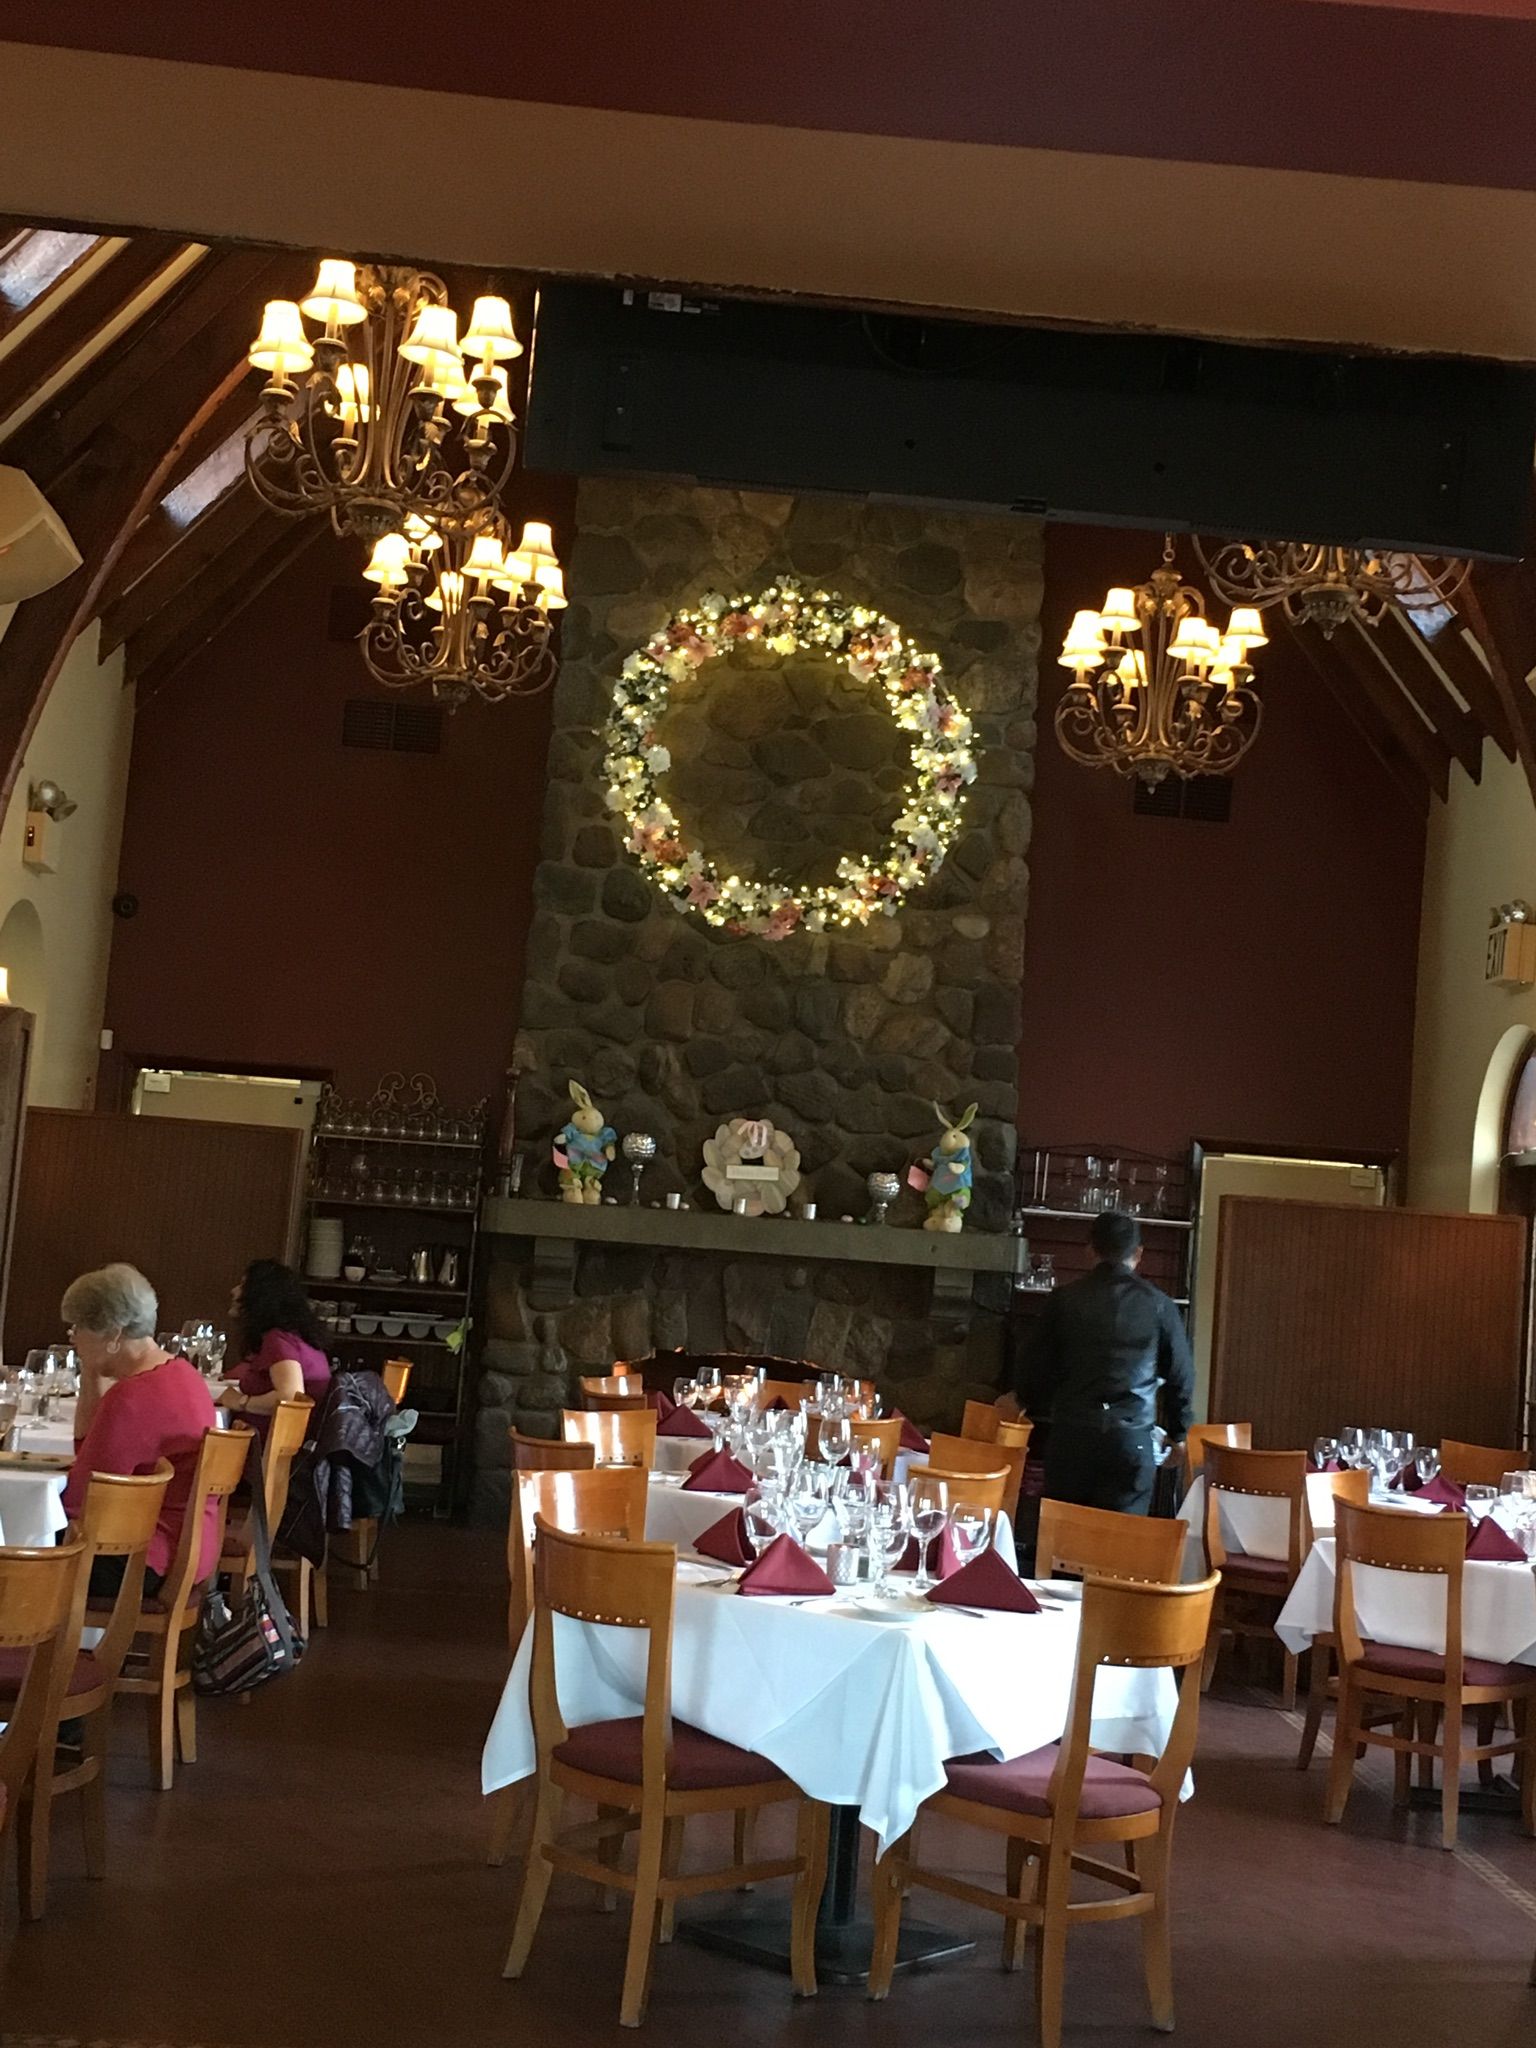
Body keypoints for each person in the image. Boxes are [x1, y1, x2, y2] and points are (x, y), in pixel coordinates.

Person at [1002, 1209, 1193, 1517]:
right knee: (1119, 1540)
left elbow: (1034, 1366)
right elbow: (1181, 1375)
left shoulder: (1063, 1300)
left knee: (1062, 1535)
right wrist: (1178, 1433)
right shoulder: (1160, 1305)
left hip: (1072, 1436)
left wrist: (1025, 1399)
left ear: (1090, 1250)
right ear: (1138, 1254)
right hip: (1131, 1441)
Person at [61, 1263, 220, 1595]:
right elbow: (87, 1449)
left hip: (141, 1558)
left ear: (113, 1334)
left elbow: (82, 1497)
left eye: (78, 1327)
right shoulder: (181, 1373)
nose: (72, 1337)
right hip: (189, 1548)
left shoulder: (132, 1397)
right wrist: (91, 1371)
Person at [219, 1259, 332, 1424]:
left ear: (260, 1296)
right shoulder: (299, 1338)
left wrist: (241, 1402)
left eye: (243, 1286)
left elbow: (290, 1396)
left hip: (266, 1438)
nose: (234, 1291)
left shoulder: (278, 1340)